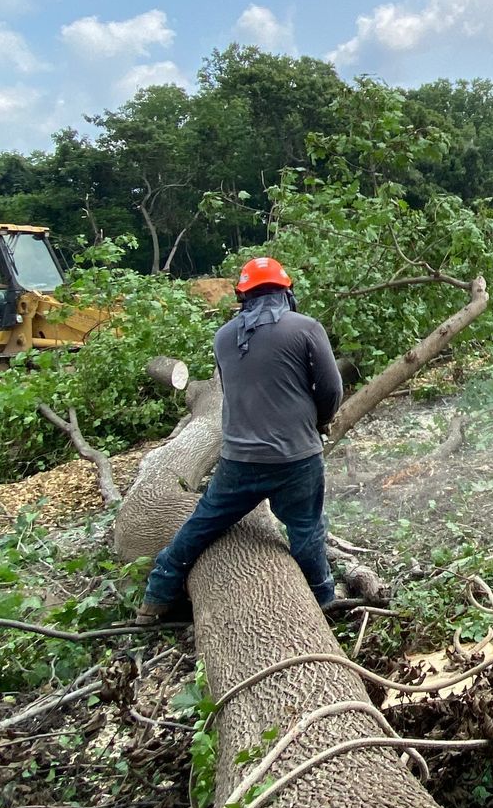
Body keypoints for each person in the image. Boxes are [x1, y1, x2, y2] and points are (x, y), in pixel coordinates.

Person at [136, 256, 343, 623]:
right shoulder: (307, 328)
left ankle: (157, 594)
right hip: (297, 458)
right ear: (286, 290)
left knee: (202, 523)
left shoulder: (223, 336)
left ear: (243, 295)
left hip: (239, 460)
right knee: (307, 529)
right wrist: (320, 421)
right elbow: (331, 389)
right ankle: (323, 602)